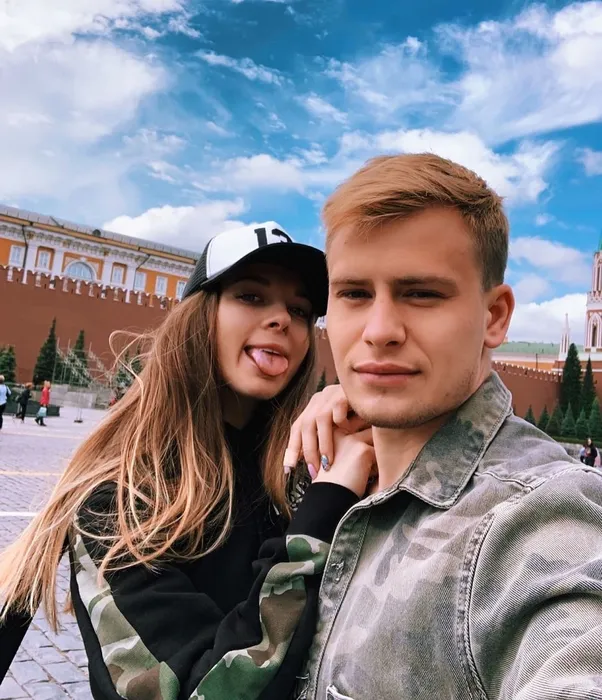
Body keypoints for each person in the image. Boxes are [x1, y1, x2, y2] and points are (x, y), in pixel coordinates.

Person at [0, 223, 373, 699]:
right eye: (251, 296)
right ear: (199, 317)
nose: (282, 318)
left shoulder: (307, 466)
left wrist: (365, 408)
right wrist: (325, 507)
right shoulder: (121, 501)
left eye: (299, 310)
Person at [285, 154, 602, 699]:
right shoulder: (330, 470)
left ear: (495, 316)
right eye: (354, 293)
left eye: (422, 293)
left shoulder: (535, 517)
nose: (379, 330)